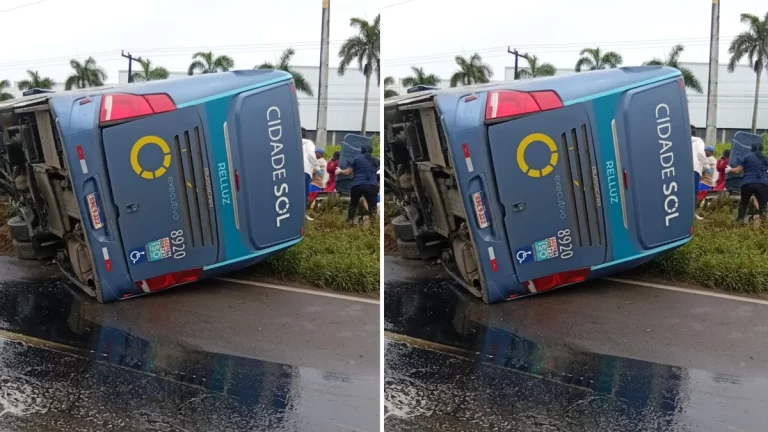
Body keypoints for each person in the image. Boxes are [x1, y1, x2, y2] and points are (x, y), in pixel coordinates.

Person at [336, 144, 379, 224]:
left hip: (357, 185)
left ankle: (350, 222)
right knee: (372, 207)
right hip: (371, 185)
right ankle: (373, 225)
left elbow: (348, 172)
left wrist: (339, 171)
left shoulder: (356, 158)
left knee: (353, 205)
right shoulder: (376, 160)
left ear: (361, 151)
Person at [725, 142, 768, 223]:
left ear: (752, 148)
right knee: (763, 206)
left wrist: (729, 169)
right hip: (762, 184)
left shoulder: (747, 157)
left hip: (748, 183)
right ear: (762, 149)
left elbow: (737, 171)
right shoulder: (765, 158)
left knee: (743, 204)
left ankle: (739, 222)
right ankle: (764, 224)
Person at [691, 126, 708, 220]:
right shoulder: (698, 141)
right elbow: (701, 153)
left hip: (681, 169)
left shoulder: (680, 140)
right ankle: (691, 213)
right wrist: (706, 165)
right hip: (694, 168)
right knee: (693, 192)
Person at [306, 148, 328, 220]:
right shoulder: (324, 161)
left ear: (319, 153)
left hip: (315, 183)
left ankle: (305, 214)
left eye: (316, 153)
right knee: (313, 200)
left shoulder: (318, 162)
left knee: (308, 199)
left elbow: (311, 172)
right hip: (319, 184)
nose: (314, 154)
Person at [302, 128, 320, 213]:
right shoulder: (308, 143)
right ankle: (302, 215)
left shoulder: (292, 142)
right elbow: (311, 155)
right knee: (304, 193)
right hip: (305, 170)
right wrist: (317, 167)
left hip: (293, 171)